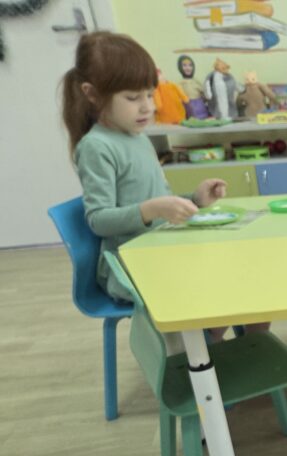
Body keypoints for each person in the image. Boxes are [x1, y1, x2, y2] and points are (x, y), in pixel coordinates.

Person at [61, 32, 226, 302]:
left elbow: (155, 200)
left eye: (150, 95)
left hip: (159, 249)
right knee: (215, 284)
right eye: (132, 97)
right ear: (92, 94)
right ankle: (200, 331)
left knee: (234, 270)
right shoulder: (96, 147)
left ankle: (224, 329)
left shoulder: (138, 138)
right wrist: (153, 209)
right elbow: (98, 220)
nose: (148, 107)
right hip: (128, 266)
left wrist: (194, 199)